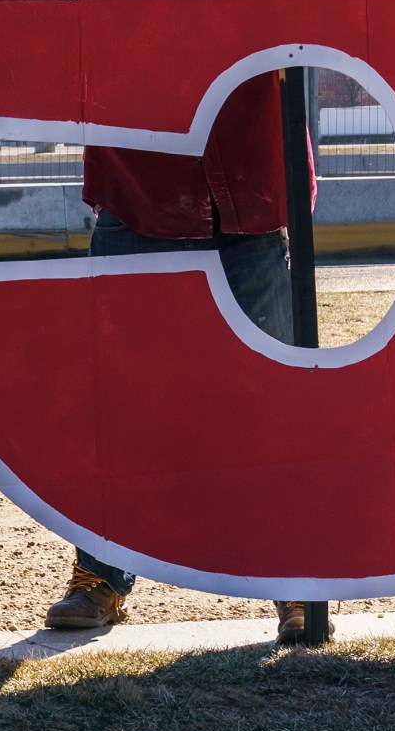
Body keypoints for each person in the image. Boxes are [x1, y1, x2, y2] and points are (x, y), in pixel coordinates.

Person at [42, 76, 314, 643]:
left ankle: (299, 576)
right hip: (140, 187)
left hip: (250, 186)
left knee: (278, 406)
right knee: (119, 406)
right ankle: (100, 576)